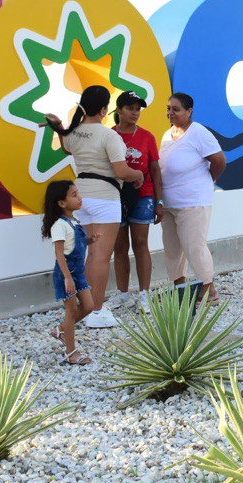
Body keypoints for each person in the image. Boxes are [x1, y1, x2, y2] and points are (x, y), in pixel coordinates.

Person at [41, 86, 143, 328]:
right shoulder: (109, 136)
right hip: (105, 198)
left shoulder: (74, 133)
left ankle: (87, 306)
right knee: (100, 256)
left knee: (87, 254)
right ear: (104, 109)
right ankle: (95, 310)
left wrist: (58, 125)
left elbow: (67, 146)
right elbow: (121, 171)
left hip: (80, 197)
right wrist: (137, 174)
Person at [159, 92, 226, 305]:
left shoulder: (199, 133)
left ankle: (209, 291)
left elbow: (218, 160)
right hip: (170, 203)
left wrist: (210, 179)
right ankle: (180, 289)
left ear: (189, 111)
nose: (171, 113)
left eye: (176, 109)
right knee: (172, 249)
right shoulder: (167, 135)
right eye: (168, 108)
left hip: (193, 201)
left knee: (194, 247)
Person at [108, 91, 163, 315]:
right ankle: (122, 295)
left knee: (140, 243)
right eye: (130, 108)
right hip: (115, 196)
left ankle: (144, 295)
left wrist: (159, 201)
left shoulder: (147, 137)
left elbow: (155, 170)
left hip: (144, 195)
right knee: (119, 246)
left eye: (138, 108)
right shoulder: (108, 135)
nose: (135, 112)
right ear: (118, 110)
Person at [42, 180, 95, 364]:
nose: (79, 198)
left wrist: (89, 240)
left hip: (78, 273)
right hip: (66, 275)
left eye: (78, 193)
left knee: (88, 306)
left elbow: (75, 243)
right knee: (71, 311)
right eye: (74, 195)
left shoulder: (74, 221)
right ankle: (71, 353)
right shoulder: (59, 225)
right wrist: (67, 277)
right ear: (61, 203)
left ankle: (62, 329)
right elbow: (59, 254)